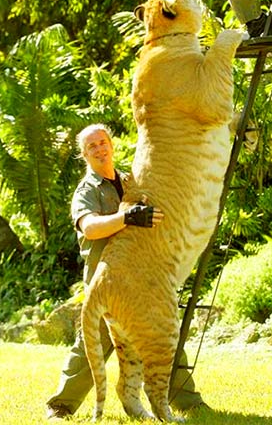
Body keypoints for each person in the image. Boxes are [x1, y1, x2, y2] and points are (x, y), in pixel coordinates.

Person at [46, 123, 206, 420]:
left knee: (162, 327)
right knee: (93, 341)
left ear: (111, 144)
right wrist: (128, 217)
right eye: (92, 146)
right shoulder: (87, 190)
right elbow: (90, 227)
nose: (99, 148)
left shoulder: (130, 179)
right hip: (105, 278)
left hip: (141, 272)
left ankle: (188, 399)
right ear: (84, 154)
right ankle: (61, 405)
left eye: (102, 142)